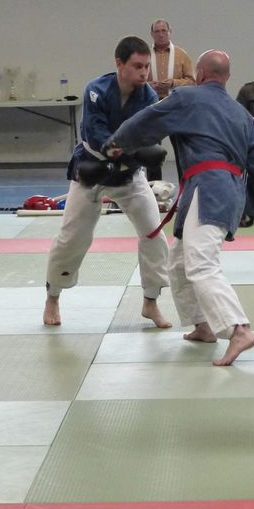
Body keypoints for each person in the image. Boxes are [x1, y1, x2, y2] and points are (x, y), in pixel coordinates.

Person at [111, 50, 254, 366]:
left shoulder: (187, 97)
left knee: (201, 263)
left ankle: (238, 328)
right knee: (179, 262)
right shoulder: (240, 113)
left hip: (208, 186)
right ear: (225, 77)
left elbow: (146, 121)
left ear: (199, 73)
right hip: (226, 189)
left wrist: (119, 141)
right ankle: (203, 325)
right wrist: (249, 205)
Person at [42, 36, 171, 329]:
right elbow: (97, 133)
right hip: (92, 170)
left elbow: (146, 136)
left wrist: (131, 156)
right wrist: (120, 152)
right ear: (119, 64)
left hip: (128, 174)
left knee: (154, 233)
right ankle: (53, 295)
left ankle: (150, 301)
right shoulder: (96, 91)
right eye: (137, 66)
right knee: (73, 237)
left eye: (147, 67)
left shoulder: (149, 97)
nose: (144, 73)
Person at [147, 19, 196, 181]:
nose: (161, 35)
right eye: (157, 31)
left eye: (164, 31)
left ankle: (185, 188)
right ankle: (154, 191)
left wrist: (173, 82)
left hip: (176, 107)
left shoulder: (181, 55)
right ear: (152, 34)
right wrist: (149, 86)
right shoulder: (145, 55)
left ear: (170, 32)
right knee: (152, 152)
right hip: (153, 107)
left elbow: (192, 82)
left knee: (181, 150)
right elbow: (136, 80)